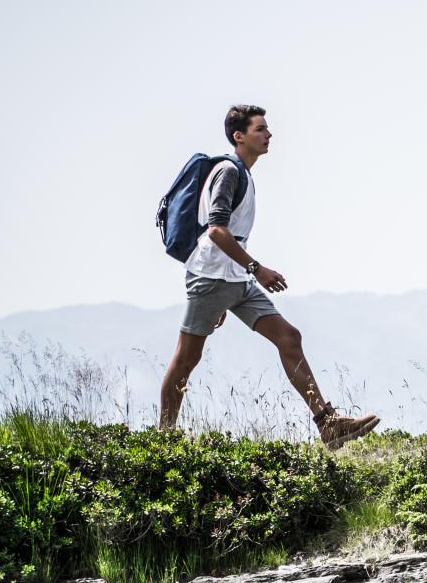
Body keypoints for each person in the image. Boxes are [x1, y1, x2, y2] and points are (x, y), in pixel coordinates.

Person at [157, 104, 379, 448]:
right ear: (239, 136)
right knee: (187, 358)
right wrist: (256, 269)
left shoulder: (243, 174)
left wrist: (241, 280)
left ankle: (328, 424)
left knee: (289, 337)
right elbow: (216, 230)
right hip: (212, 277)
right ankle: (163, 438)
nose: (269, 134)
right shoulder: (228, 172)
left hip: (234, 280)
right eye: (260, 129)